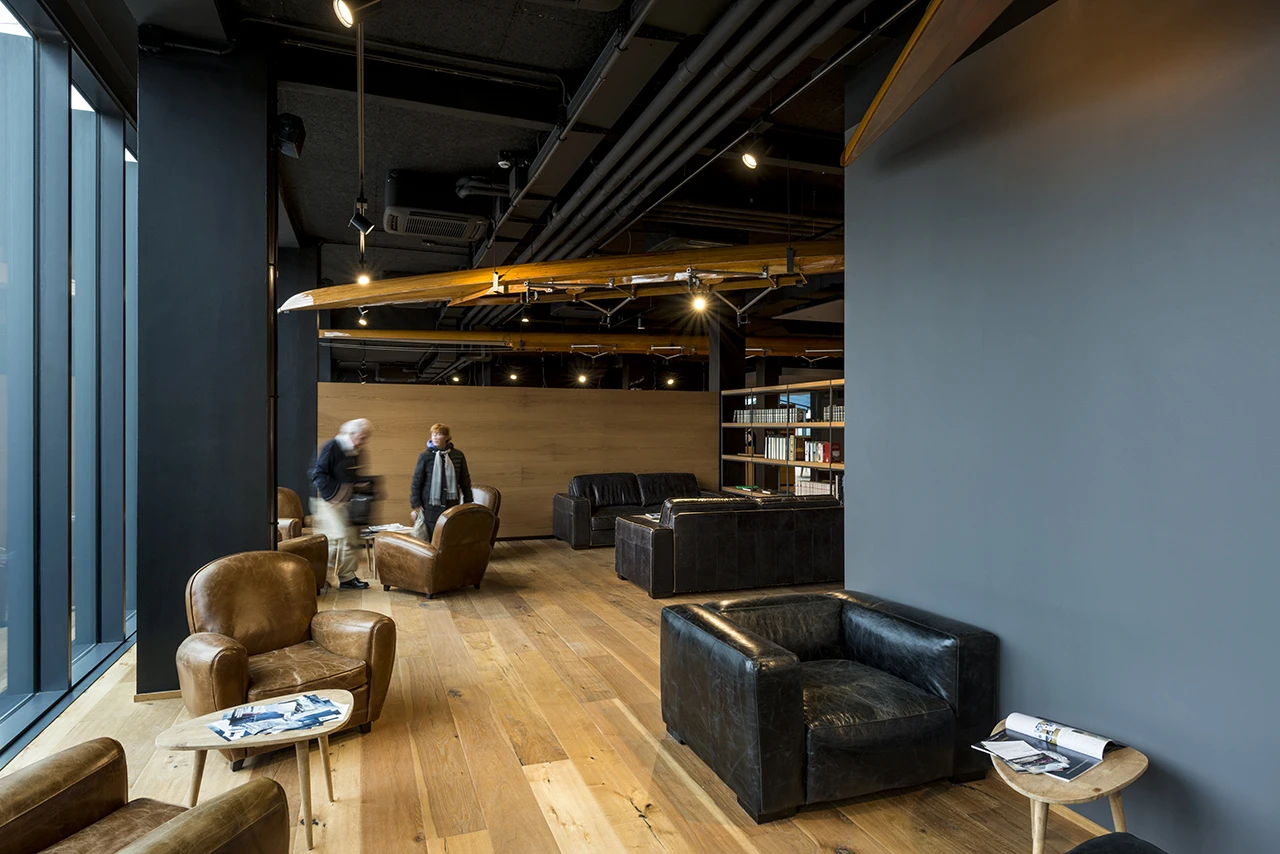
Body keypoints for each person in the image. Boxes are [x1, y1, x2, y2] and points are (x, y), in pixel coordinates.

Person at [309, 418, 374, 590]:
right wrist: (332, 496)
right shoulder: (332, 447)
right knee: (336, 539)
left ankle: (347, 577)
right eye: (362, 437)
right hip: (327, 502)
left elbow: (351, 476)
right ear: (352, 433)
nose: (364, 441)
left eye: (366, 437)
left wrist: (360, 484)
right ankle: (319, 578)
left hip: (344, 502)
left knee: (350, 539)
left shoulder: (356, 451)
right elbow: (317, 474)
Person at [410, 423, 472, 540]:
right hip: (430, 504)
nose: (435, 437)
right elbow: (417, 480)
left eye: (439, 434)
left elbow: (465, 479)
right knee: (432, 537)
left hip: (451, 503)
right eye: (433, 435)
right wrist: (415, 502)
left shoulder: (458, 455)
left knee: (450, 533)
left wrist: (468, 501)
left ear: (447, 437)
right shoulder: (425, 456)